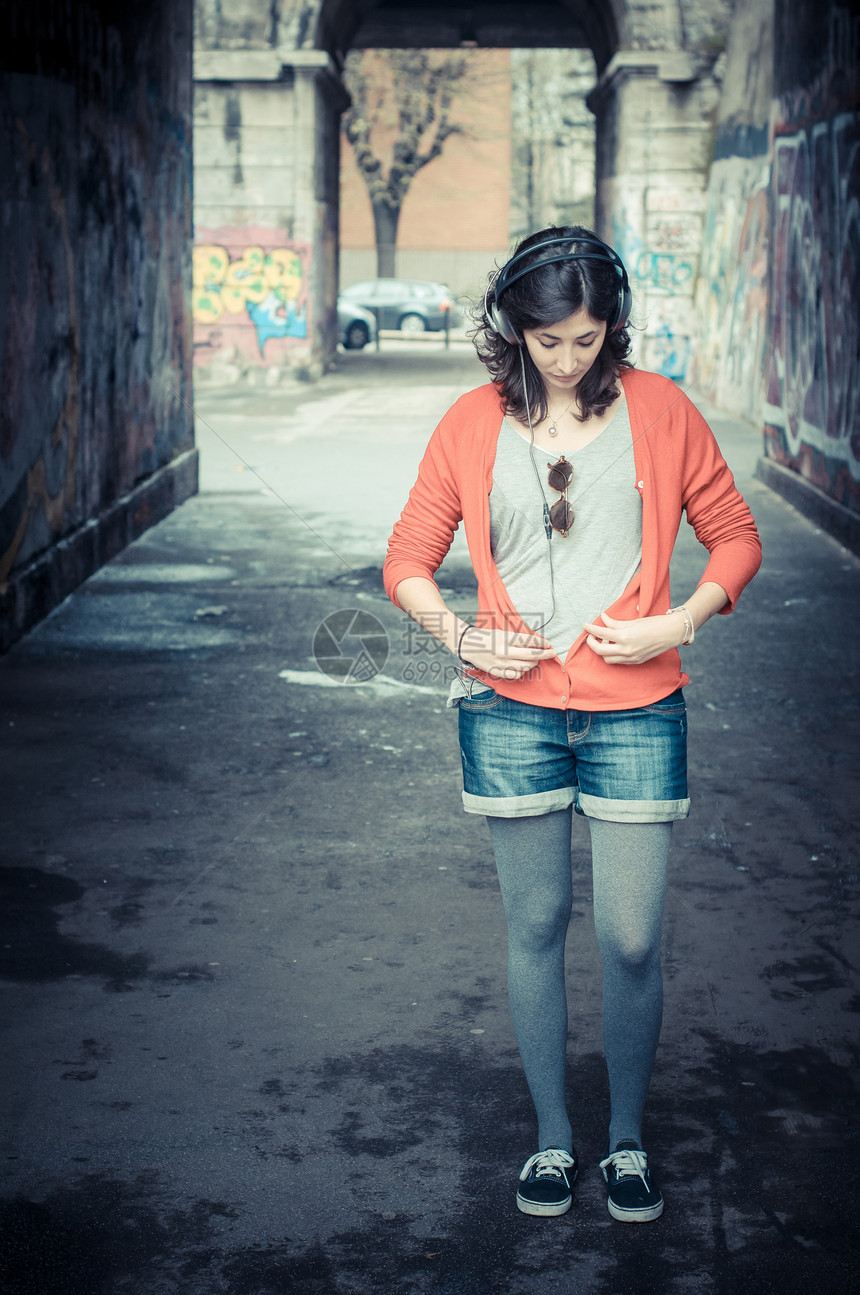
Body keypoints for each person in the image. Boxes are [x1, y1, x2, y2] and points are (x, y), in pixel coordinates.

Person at [382, 227, 761, 1223]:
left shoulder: (663, 412)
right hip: (508, 714)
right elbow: (407, 560)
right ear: (513, 326)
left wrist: (677, 620)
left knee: (631, 938)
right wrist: (460, 639)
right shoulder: (470, 423)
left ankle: (625, 1138)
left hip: (637, 710)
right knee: (535, 926)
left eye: (585, 338)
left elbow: (733, 535)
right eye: (545, 339)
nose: (564, 358)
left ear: (611, 326)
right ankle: (553, 1138)